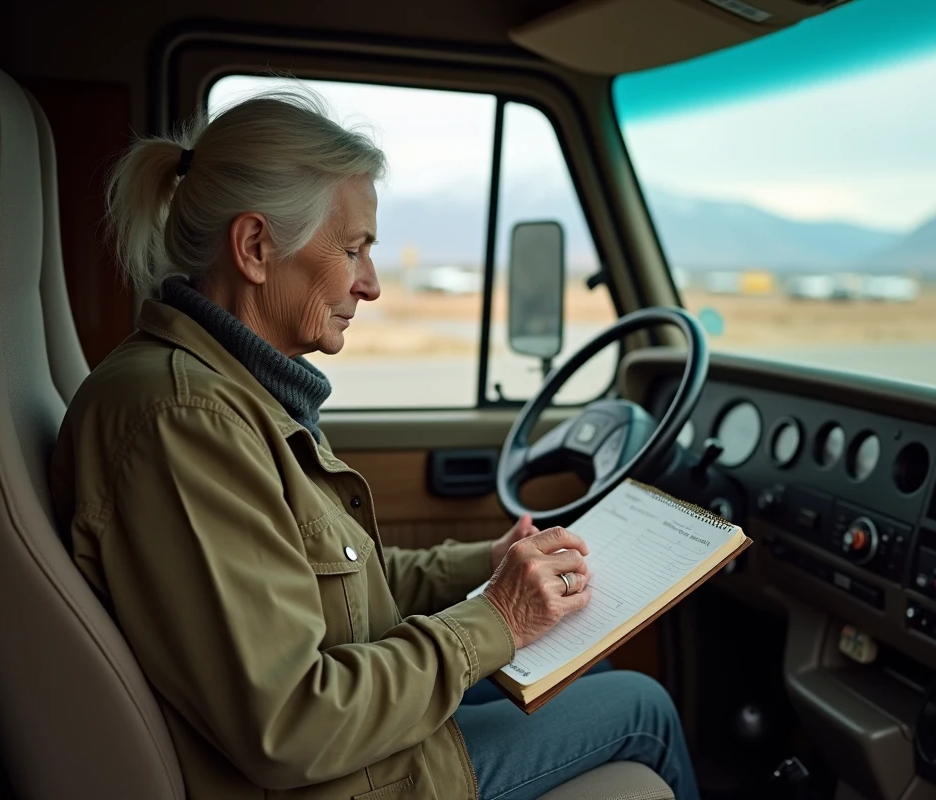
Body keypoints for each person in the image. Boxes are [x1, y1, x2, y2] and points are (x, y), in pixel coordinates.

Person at [49, 89, 699, 800]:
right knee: (644, 706)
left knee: (592, 675)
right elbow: (290, 722)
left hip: (354, 753)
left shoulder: (234, 394)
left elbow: (334, 583)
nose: (373, 285)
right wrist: (498, 618)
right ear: (257, 247)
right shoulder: (185, 420)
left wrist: (486, 567)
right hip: (335, 780)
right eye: (354, 248)